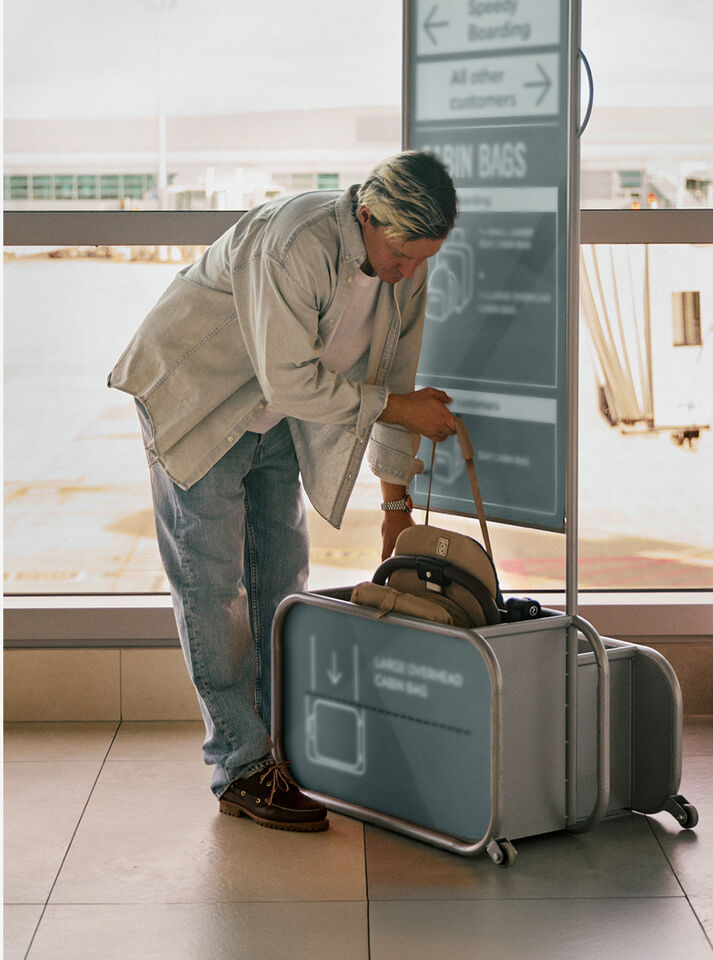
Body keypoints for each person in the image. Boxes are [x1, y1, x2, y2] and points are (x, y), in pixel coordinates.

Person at [108, 151, 458, 832]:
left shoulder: (404, 270)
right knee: (213, 585)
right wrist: (397, 408)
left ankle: (282, 748)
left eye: (423, 258)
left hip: (272, 417)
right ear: (367, 217)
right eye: (401, 254)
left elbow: (397, 377)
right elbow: (301, 383)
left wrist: (396, 508)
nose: (408, 271)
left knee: (282, 578)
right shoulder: (297, 241)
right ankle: (243, 764)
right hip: (197, 397)